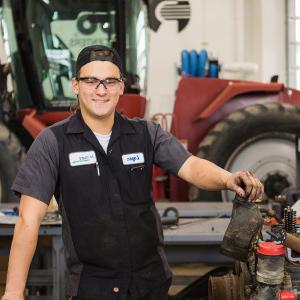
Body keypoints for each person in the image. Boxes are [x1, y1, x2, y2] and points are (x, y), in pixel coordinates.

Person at [1, 45, 263, 300]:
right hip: (94, 288)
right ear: (76, 85)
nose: (101, 90)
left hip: (150, 283)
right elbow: (28, 220)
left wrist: (227, 179)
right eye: (91, 81)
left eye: (110, 81)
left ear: (121, 87)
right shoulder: (52, 142)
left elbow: (191, 166)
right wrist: (13, 291)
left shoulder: (145, 134)